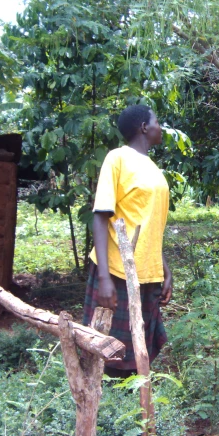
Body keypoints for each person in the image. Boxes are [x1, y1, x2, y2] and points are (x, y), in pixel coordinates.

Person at [82, 104, 172, 376]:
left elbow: (149, 223)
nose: (160, 126)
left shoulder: (153, 168)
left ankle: (133, 406)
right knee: (109, 349)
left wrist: (164, 270)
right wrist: (105, 279)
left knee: (138, 347)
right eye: (156, 121)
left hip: (147, 270)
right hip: (118, 269)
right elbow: (101, 216)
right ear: (144, 127)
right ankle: (102, 406)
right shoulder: (117, 158)